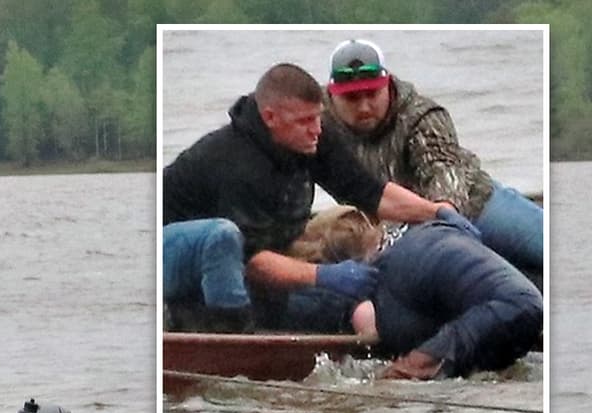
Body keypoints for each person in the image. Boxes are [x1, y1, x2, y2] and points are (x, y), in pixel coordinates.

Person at [161, 62, 453, 332]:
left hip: (251, 257)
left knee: (348, 287)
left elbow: (371, 193)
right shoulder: (235, 163)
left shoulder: (312, 137)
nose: (316, 130)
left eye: (318, 118)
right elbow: (252, 261)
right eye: (304, 121)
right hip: (175, 256)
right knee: (222, 238)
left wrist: (437, 212)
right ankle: (229, 335)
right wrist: (324, 276)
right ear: (270, 118)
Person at [323, 38, 543, 286]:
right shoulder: (316, 125)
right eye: (352, 98)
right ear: (333, 96)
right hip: (397, 229)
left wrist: (445, 213)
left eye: (372, 94)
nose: (364, 107)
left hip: (474, 204)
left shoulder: (421, 116)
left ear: (387, 86)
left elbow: (443, 171)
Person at [288, 206, 542, 379]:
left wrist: (403, 368)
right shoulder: (428, 232)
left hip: (508, 308)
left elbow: (371, 329)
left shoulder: (382, 277)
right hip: (526, 309)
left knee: (390, 383)